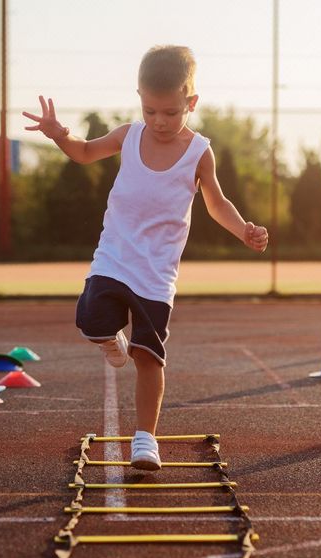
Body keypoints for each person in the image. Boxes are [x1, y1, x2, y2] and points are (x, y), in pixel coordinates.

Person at [23, 45, 268, 471]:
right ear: (139, 97)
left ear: (191, 102)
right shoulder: (128, 135)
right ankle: (110, 342)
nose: (159, 121)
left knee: (149, 357)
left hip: (156, 274)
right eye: (150, 110)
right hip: (114, 258)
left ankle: (145, 439)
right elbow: (83, 153)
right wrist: (59, 134)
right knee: (90, 319)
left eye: (171, 112)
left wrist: (243, 229)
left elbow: (216, 203)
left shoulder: (199, 152)